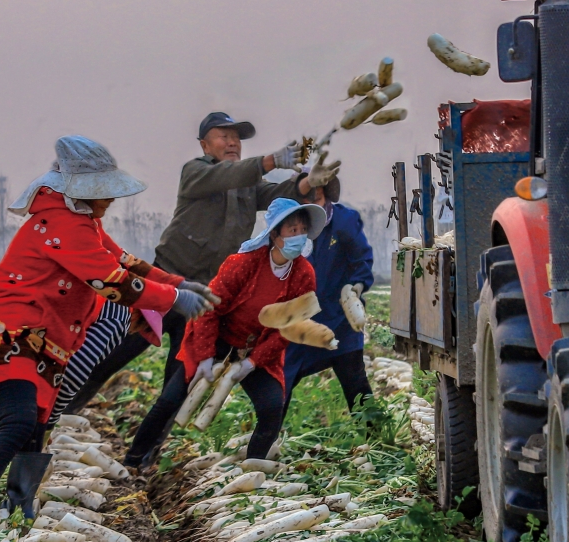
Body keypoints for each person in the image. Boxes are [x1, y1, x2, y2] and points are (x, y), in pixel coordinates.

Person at [0, 136, 212, 520]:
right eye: (103, 190)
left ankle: (18, 508)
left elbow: (125, 261)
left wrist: (176, 282)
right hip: (9, 331)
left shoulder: (85, 223)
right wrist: (173, 299)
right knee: (19, 422)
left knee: (34, 424)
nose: (110, 199)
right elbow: (111, 281)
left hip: (43, 338)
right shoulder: (63, 224)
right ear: (83, 190)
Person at [59, 112, 341, 413]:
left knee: (180, 376)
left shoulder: (247, 185)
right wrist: (270, 161)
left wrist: (307, 182)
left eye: (236, 138)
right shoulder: (195, 172)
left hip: (202, 297)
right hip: (164, 283)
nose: (232, 143)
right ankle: (61, 412)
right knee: (114, 353)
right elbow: (226, 176)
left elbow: (276, 195)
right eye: (224, 136)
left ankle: (152, 440)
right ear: (205, 145)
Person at [125, 198, 327, 466]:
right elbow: (209, 308)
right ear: (275, 234)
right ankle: (134, 460)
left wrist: (252, 362)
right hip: (216, 338)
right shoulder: (243, 263)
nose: (299, 236)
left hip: (256, 349)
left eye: (303, 230)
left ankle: (253, 468)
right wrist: (206, 356)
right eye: (292, 230)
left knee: (271, 407)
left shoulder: (304, 274)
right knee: (170, 399)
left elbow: (290, 328)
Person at [283, 172, 375, 413]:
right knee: (281, 383)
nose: (313, 205)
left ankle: (375, 432)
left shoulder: (344, 222)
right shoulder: (289, 227)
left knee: (355, 383)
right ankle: (267, 434)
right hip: (300, 321)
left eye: (318, 198)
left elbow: (361, 260)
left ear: (326, 194)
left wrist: (355, 287)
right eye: (306, 200)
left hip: (339, 319)